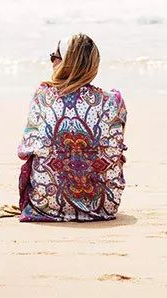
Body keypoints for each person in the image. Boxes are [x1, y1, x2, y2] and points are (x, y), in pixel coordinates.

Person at [16, 33, 127, 222]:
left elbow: (25, 150)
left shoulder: (43, 96)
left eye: (54, 56)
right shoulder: (113, 101)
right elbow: (114, 149)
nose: (51, 61)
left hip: (47, 204)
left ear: (66, 63)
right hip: (103, 205)